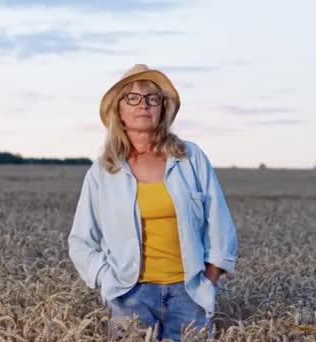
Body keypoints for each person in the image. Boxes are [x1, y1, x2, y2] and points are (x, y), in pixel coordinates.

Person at [68, 64, 237, 341]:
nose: (143, 105)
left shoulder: (190, 158)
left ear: (162, 109)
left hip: (188, 292)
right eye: (132, 98)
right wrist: (108, 280)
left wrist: (209, 278)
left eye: (152, 98)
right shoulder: (103, 171)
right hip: (130, 294)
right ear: (119, 112)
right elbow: (80, 240)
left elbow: (219, 220)